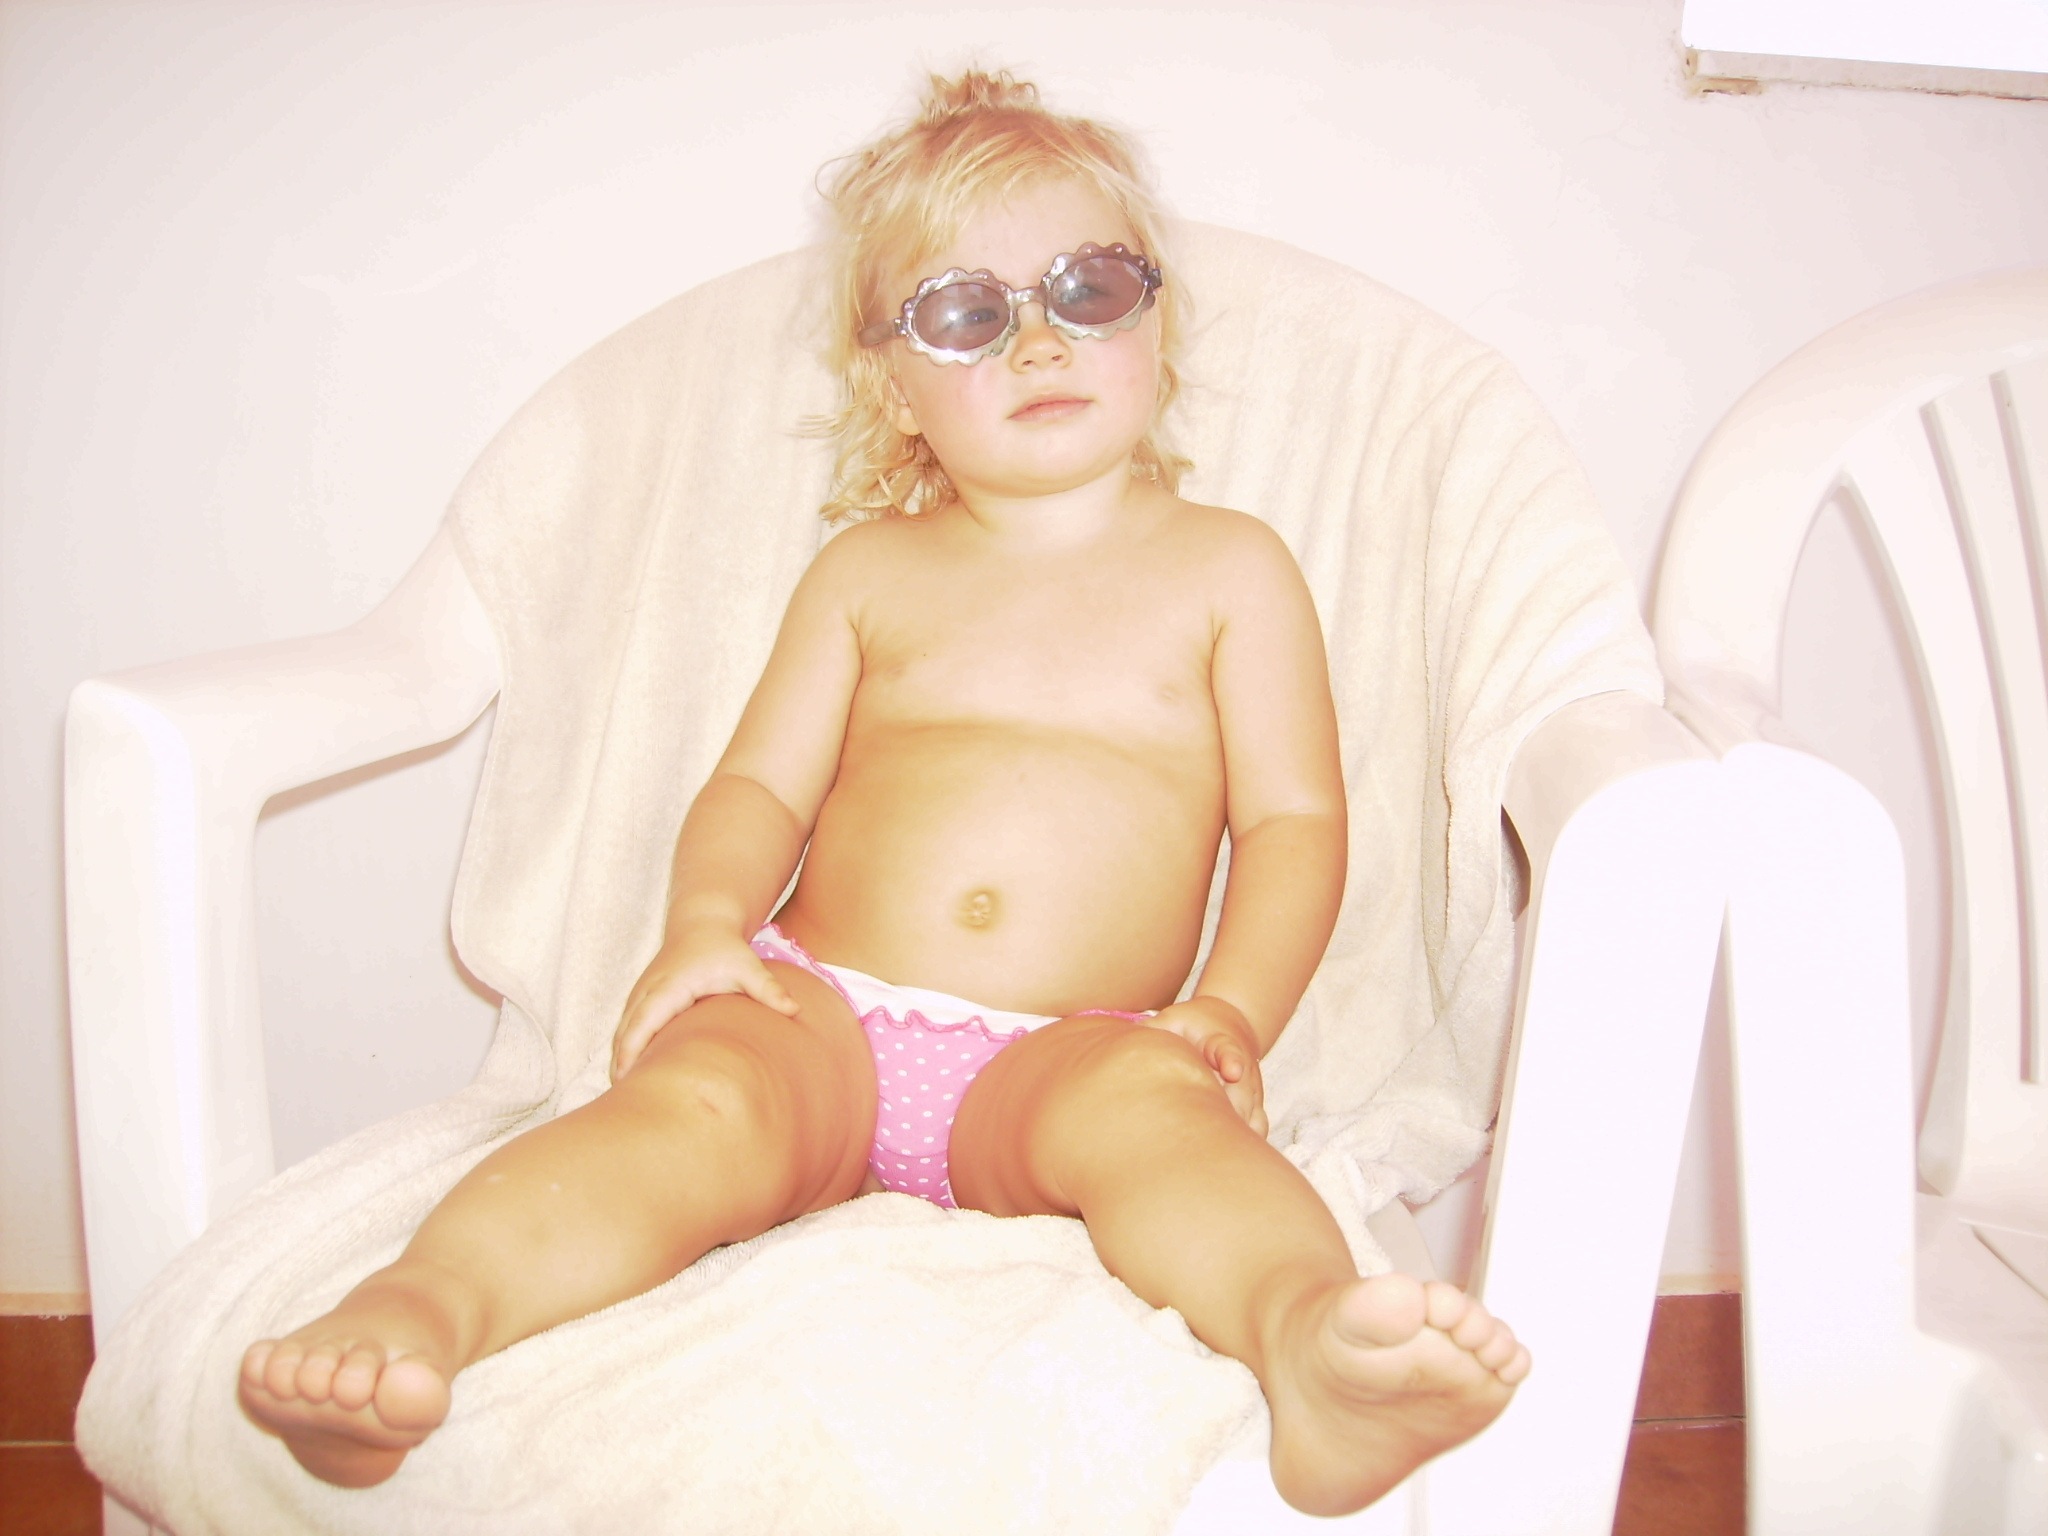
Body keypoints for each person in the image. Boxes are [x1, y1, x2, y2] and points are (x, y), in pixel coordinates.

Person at [238, 67, 1529, 1517]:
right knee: (683, 1112)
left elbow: (1294, 823)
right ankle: (422, 1313)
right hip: (821, 1014)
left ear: (1158, 324)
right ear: (895, 389)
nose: (1039, 337)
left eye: (1089, 288)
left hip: (1069, 1051)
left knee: (1167, 1129)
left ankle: (1310, 1347)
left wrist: (1231, 1009)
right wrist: (706, 927)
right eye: (967, 314)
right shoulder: (869, 573)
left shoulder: (1231, 569)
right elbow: (756, 787)